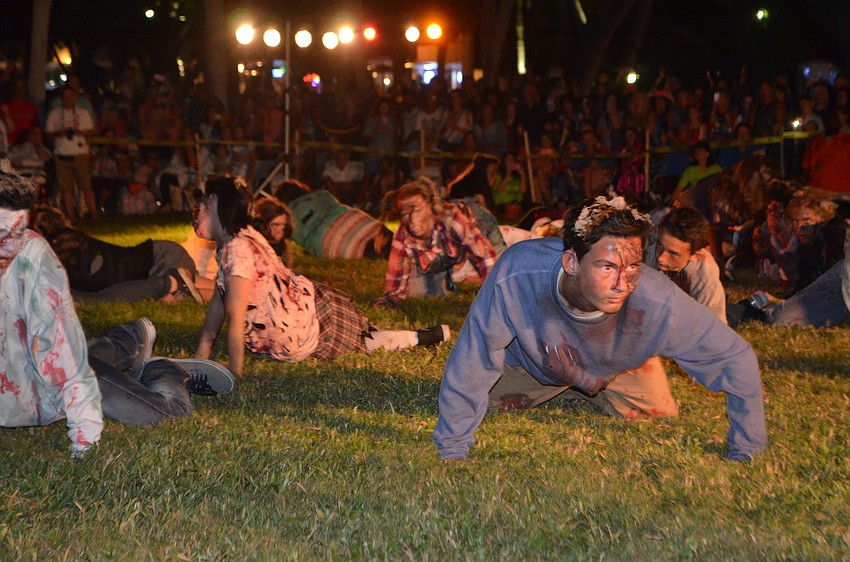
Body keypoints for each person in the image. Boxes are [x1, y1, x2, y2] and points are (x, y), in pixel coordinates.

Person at [432, 196, 767, 462]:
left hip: (616, 364)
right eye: (607, 267)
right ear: (572, 262)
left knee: (661, 415)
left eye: (633, 266)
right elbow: (474, 358)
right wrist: (453, 448)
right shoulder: (519, 273)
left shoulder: (655, 301)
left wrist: (747, 449)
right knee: (480, 400)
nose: (624, 283)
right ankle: (577, 385)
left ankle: (614, 374)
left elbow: (735, 356)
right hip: (537, 368)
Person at [0, 167, 234, 458]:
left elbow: (61, 348)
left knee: (172, 414)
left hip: (54, 378)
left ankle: (163, 369)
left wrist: (83, 438)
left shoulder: (31, 254)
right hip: (34, 377)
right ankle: (128, 339)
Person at [192, 176, 451, 377]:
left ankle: (426, 336)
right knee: (368, 339)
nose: (194, 212)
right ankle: (426, 336)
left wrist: (235, 374)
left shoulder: (237, 247)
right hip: (302, 318)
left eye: (201, 204)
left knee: (368, 341)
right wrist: (202, 350)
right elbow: (221, 297)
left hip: (309, 322)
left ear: (215, 202)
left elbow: (234, 316)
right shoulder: (238, 239)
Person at [28, 204, 212, 304]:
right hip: (159, 261)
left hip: (161, 258)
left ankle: (234, 294)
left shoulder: (63, 240)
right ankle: (234, 292)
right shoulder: (63, 257)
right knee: (184, 293)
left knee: (180, 294)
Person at [375, 179, 499, 306]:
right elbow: (396, 275)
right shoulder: (403, 234)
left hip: (480, 227)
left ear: (431, 208)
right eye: (405, 214)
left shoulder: (452, 219)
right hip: (445, 254)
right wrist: (390, 299)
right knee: (421, 294)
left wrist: (492, 294)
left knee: (503, 269)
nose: (412, 220)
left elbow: (485, 255)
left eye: (417, 212)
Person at [649, 206, 726, 323]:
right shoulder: (649, 250)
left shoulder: (704, 273)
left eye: (673, 253)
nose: (661, 257)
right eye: (660, 245)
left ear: (694, 254)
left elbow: (714, 327)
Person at [44, 86, 96, 219]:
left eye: (70, 96)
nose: (67, 99)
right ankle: (71, 217)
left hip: (79, 153)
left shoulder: (83, 113)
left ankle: (94, 215)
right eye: (65, 96)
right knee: (66, 188)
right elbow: (48, 134)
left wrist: (80, 132)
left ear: (75, 97)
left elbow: (91, 131)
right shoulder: (55, 113)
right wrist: (58, 134)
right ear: (61, 98)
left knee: (86, 186)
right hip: (61, 154)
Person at [251, 196, 294, 267]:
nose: (281, 231)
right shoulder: (251, 246)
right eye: (276, 225)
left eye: (284, 225)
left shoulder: (282, 247)